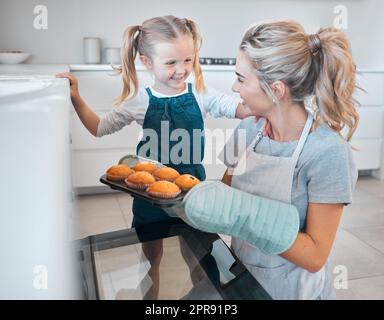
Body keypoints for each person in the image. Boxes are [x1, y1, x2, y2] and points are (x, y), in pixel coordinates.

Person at [57, 15, 251, 299]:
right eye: (171, 62)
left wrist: (260, 101)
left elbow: (234, 107)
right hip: (149, 198)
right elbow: (99, 127)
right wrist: (75, 97)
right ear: (147, 62)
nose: (181, 70)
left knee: (199, 257)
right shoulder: (139, 101)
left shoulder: (200, 92)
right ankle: (151, 299)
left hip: (191, 196)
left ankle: (204, 298)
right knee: (151, 260)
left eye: (187, 60)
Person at [168, 20, 359, 300]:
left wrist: (245, 215)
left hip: (292, 293)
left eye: (241, 79)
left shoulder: (327, 152)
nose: (235, 87)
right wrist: (182, 197)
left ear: (276, 90)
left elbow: (315, 255)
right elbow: (225, 200)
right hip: (241, 280)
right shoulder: (249, 130)